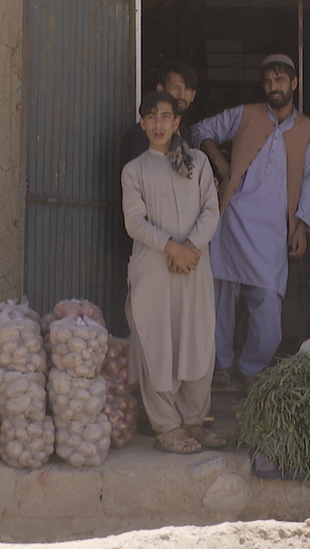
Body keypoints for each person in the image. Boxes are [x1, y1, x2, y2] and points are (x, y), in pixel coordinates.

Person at [191, 53, 310, 387]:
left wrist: (300, 226)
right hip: (231, 223)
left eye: (280, 80)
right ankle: (220, 367)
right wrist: (218, 160)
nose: (274, 87)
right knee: (220, 308)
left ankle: (250, 370)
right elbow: (200, 129)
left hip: (273, 234)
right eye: (268, 82)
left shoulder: (307, 129)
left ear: (294, 84)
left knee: (269, 321)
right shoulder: (245, 114)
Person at [122, 90, 224, 454]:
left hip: (192, 267)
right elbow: (135, 223)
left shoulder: (197, 162)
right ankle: (167, 426)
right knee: (158, 343)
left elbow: (211, 211)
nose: (159, 123)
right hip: (155, 269)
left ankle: (194, 421)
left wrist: (190, 249)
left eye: (165, 116)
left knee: (195, 340)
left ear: (177, 121)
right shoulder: (134, 170)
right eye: (151, 117)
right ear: (142, 123)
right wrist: (172, 248)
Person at [120, 62, 199, 169]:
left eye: (187, 89)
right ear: (161, 89)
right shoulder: (141, 134)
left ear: (193, 95)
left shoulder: (185, 133)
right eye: (176, 87)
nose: (182, 95)